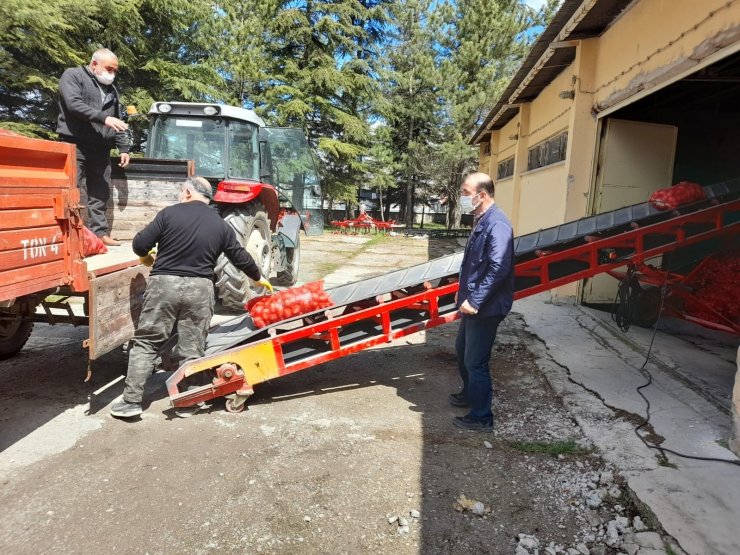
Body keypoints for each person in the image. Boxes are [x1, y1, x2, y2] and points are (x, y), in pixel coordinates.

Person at [110, 176, 273, 419]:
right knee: (193, 346)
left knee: (148, 341)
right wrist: (258, 277)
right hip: (200, 288)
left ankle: (131, 402)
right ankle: (189, 401)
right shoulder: (220, 225)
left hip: (165, 285)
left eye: (180, 192)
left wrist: (146, 255)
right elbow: (240, 257)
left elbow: (140, 244)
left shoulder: (169, 215)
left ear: (187, 192)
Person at [451, 172, 515, 432]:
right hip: (474, 301)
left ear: (482, 195)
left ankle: (482, 417)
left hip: (486, 307)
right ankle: (469, 395)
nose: (463, 197)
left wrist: (475, 300)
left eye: (466, 193)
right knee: (462, 350)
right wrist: (462, 290)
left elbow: (499, 267)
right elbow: (473, 263)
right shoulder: (482, 219)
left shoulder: (497, 224)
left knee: (476, 362)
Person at [57, 48, 130, 247]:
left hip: (100, 147)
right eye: (109, 69)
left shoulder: (111, 90)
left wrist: (123, 147)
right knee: (71, 189)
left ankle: (99, 234)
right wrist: (104, 118)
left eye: (115, 71)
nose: (112, 74)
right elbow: (74, 105)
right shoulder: (73, 75)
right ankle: (66, 237)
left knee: (100, 191)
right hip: (75, 143)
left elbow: (119, 120)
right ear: (94, 64)